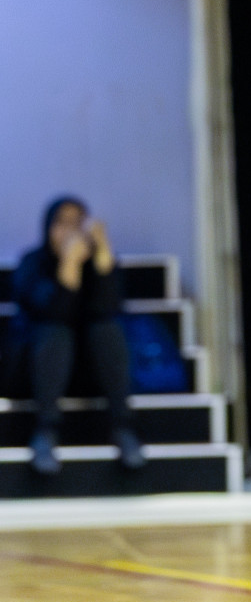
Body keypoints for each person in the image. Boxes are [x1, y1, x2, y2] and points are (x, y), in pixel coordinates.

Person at [11, 196, 145, 474]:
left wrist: (103, 254)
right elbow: (52, 312)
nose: (70, 232)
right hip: (39, 372)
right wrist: (69, 265)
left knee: (106, 329)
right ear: (48, 227)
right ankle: (46, 431)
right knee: (55, 332)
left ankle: (122, 427)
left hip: (92, 372)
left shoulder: (99, 265)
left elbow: (110, 308)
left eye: (77, 224)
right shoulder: (32, 264)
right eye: (62, 223)